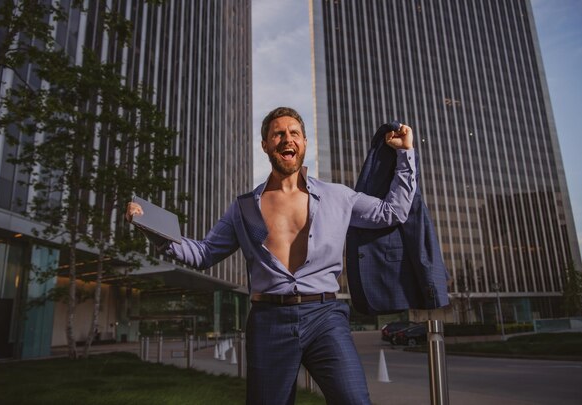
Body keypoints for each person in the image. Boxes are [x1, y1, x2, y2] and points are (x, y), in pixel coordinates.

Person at [126, 106, 415, 405]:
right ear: (265, 144)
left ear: (304, 143)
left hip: (325, 318)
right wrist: (152, 228)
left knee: (354, 400)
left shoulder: (337, 196)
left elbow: (391, 212)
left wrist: (405, 155)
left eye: (294, 133)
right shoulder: (245, 208)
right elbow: (204, 253)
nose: (286, 139)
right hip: (269, 321)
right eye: (278, 133)